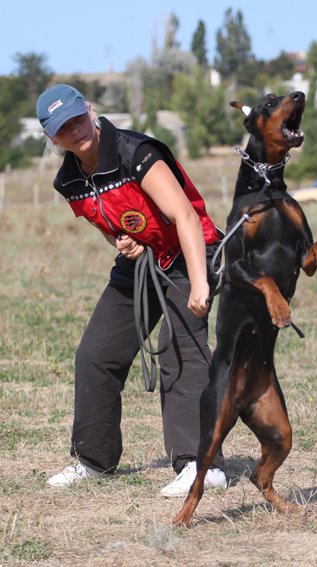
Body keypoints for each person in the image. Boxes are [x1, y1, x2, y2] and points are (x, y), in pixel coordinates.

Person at [36, 84, 227, 497]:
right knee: (95, 355)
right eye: (62, 128)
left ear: (89, 110)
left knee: (180, 348)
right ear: (51, 138)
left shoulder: (135, 152)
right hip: (141, 263)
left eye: (76, 118)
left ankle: (202, 466)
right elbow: (112, 227)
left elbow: (185, 217)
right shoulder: (69, 181)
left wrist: (198, 282)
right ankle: (94, 460)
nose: (74, 129)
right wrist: (124, 243)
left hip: (190, 251)